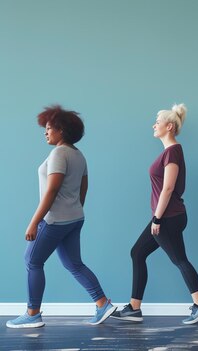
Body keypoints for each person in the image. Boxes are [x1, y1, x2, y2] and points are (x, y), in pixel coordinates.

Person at [7, 106, 116, 328]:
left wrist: (34, 222)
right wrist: (74, 209)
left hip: (54, 220)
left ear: (62, 131)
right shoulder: (78, 154)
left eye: (49, 128)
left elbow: (52, 190)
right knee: (74, 264)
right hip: (75, 218)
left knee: (32, 261)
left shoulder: (58, 153)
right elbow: (83, 187)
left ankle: (32, 313)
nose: (45, 133)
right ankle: (103, 304)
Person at [111, 104, 198, 325]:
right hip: (167, 215)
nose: (153, 125)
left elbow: (168, 188)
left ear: (169, 126)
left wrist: (157, 219)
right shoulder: (168, 152)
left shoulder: (173, 151)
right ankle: (134, 308)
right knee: (138, 253)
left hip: (168, 217)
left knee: (179, 259)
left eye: (157, 122)